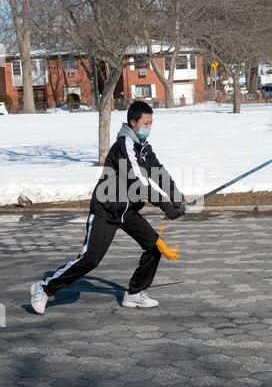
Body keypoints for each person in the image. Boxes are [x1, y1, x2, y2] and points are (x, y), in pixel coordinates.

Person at [30, 101, 186, 314]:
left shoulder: (143, 148)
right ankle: (44, 287)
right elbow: (139, 183)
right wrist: (165, 205)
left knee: (154, 246)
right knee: (90, 259)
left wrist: (177, 197)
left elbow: (158, 171)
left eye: (151, 123)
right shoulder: (125, 146)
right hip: (106, 210)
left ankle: (134, 294)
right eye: (146, 123)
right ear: (133, 122)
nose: (149, 127)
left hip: (127, 211)